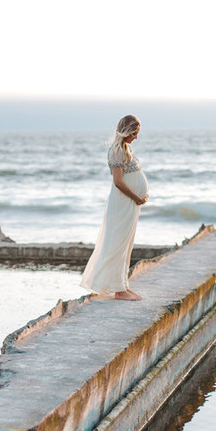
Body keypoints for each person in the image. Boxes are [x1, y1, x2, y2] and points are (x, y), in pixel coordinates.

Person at [81, 115, 148, 301]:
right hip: (123, 202)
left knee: (126, 244)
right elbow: (118, 182)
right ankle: (119, 290)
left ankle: (123, 285)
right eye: (134, 133)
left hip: (131, 203)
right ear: (126, 131)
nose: (136, 137)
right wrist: (136, 196)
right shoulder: (117, 150)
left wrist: (141, 195)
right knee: (118, 243)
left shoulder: (127, 148)